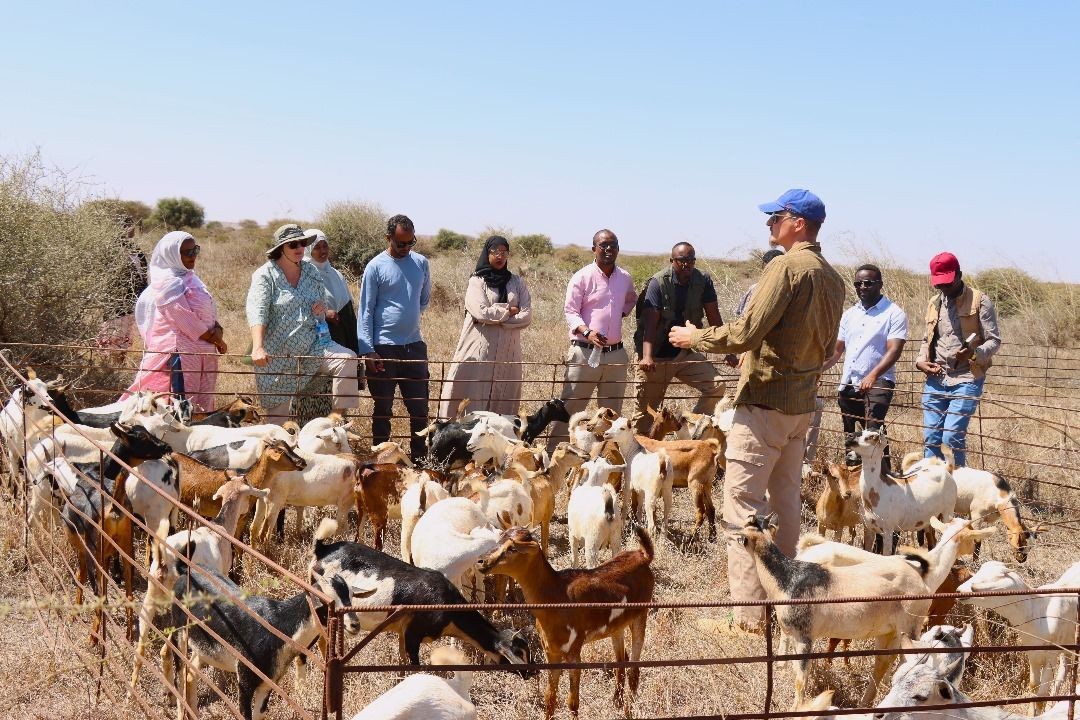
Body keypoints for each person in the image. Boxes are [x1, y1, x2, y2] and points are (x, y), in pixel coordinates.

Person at [670, 189, 845, 630]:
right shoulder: (833, 278)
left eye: (776, 217)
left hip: (765, 403)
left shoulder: (786, 268)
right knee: (786, 502)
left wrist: (696, 339)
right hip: (801, 407)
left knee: (743, 504)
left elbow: (746, 332)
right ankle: (784, 600)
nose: (769, 224)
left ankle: (749, 616)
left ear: (798, 223)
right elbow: (828, 348)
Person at [246, 224, 361, 424]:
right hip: (278, 354)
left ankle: (335, 420)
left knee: (348, 359)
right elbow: (258, 311)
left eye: (302, 243)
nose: (299, 248)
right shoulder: (265, 275)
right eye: (293, 244)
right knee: (277, 427)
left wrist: (321, 313)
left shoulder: (311, 272)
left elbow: (320, 310)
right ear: (281, 248)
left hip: (313, 347)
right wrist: (258, 347)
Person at [547, 229, 637, 447]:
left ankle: (604, 456)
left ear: (618, 249)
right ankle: (554, 456)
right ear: (594, 248)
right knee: (571, 408)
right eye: (603, 245)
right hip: (584, 351)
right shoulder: (582, 276)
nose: (608, 249)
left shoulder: (624, 278)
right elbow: (570, 311)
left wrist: (620, 314)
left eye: (613, 245)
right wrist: (587, 331)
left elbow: (632, 299)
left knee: (611, 413)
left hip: (615, 354)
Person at [915, 252, 1001, 467]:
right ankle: (933, 490)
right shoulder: (934, 303)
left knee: (951, 438)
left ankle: (957, 489)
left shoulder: (980, 301)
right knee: (932, 438)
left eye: (947, 283)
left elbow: (993, 341)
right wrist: (920, 361)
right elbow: (928, 338)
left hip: (967, 378)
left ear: (959, 275)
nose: (943, 288)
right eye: (939, 284)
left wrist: (973, 354)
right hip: (936, 377)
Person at [358, 214, 431, 461]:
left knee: (419, 408)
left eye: (411, 242)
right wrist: (368, 349)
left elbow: (423, 300)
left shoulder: (421, 263)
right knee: (383, 408)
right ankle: (382, 461)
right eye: (401, 243)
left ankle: (420, 460)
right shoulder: (375, 267)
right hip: (383, 347)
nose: (407, 248)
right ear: (388, 238)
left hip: (414, 346)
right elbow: (365, 311)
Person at [632, 242, 725, 434]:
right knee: (645, 417)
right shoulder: (658, 282)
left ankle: (692, 432)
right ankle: (640, 456)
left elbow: (714, 316)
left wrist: (727, 349)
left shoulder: (703, 281)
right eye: (682, 260)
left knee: (717, 387)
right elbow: (650, 324)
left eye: (691, 260)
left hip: (684, 354)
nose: (687, 264)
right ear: (672, 261)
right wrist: (646, 357)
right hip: (656, 357)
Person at [822, 264, 908, 470]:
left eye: (868, 283)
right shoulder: (850, 314)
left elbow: (894, 350)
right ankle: (855, 475)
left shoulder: (893, 313)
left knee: (872, 431)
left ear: (880, 284)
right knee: (851, 434)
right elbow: (837, 350)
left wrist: (873, 375)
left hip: (879, 381)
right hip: (849, 382)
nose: (862, 287)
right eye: (858, 283)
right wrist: (819, 369)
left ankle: (881, 476)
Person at [126, 231, 224, 410]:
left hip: (203, 352)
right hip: (180, 354)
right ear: (172, 255)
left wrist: (218, 329)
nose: (193, 256)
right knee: (180, 407)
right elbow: (183, 318)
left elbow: (207, 312)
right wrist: (215, 339)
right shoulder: (168, 283)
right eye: (187, 252)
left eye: (195, 250)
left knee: (201, 407)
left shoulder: (191, 278)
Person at [439, 235, 532, 418]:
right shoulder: (477, 281)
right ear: (486, 253)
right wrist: (510, 310)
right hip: (479, 349)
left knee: (503, 397)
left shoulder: (517, 282)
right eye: (495, 252)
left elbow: (526, 316)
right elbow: (481, 312)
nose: (500, 256)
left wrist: (496, 318)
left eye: (504, 252)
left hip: (508, 351)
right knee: (471, 396)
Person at [305, 228, 362, 372]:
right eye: (317, 247)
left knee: (344, 366)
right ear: (308, 250)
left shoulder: (335, 273)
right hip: (319, 332)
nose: (322, 250)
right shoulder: (305, 274)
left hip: (341, 329)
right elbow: (302, 305)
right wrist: (325, 313)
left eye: (325, 246)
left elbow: (346, 304)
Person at [96, 216, 149, 362]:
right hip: (116, 303)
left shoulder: (135, 250)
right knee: (112, 337)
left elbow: (143, 274)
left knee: (124, 336)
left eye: (131, 225)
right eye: (126, 226)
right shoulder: (111, 249)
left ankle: (118, 365)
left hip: (133, 302)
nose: (130, 229)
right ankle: (110, 367)